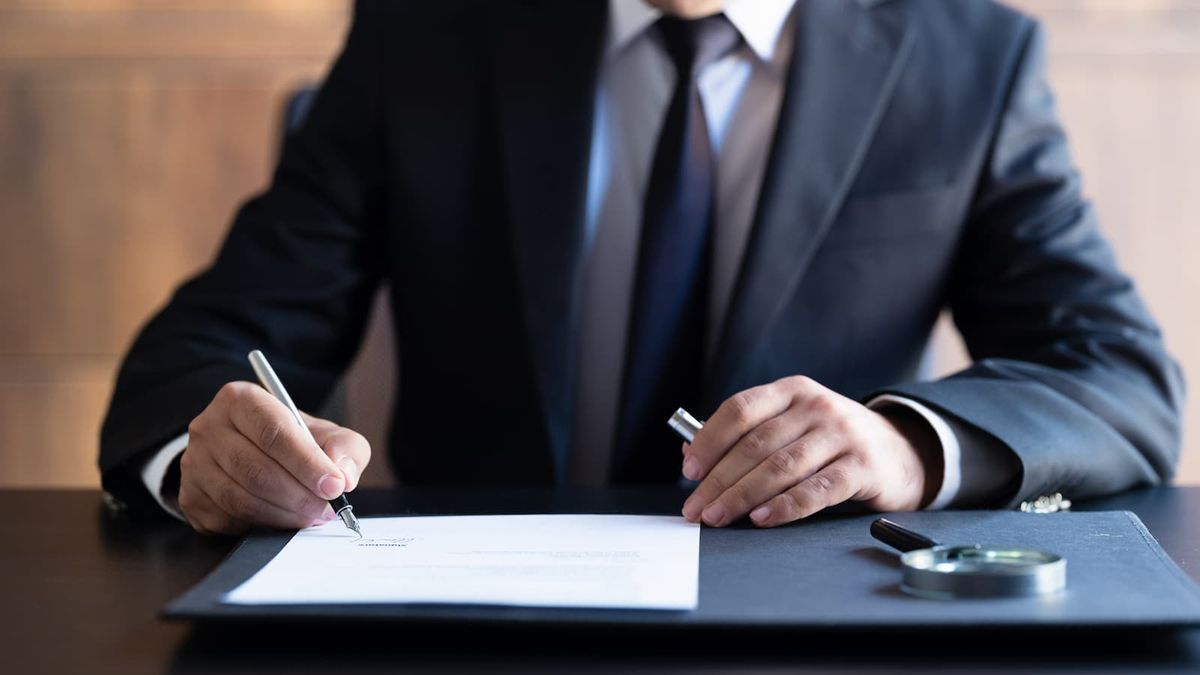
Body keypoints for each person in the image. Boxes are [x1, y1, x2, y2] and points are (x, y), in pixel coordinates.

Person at [100, 0, 1184, 535]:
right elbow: (196, 356)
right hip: (473, 623)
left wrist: (901, 445)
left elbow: (1120, 381)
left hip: (810, 624)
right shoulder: (427, 31)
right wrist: (210, 455)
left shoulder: (969, 58)